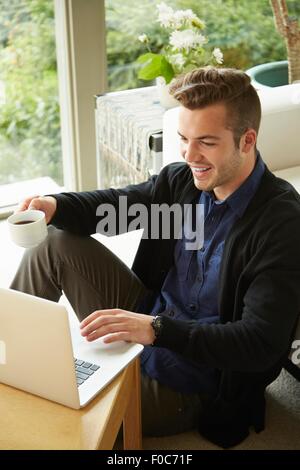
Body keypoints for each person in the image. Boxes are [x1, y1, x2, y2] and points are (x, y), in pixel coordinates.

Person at [11, 67, 300, 448]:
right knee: (55, 241)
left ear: (247, 140)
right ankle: (8, 353)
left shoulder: (280, 225)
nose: (190, 154)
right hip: (145, 318)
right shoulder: (183, 184)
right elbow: (118, 206)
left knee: (69, 415)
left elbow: (258, 342)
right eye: (184, 138)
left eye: (207, 143)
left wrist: (157, 330)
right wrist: (55, 205)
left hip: (195, 381)